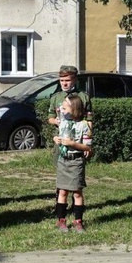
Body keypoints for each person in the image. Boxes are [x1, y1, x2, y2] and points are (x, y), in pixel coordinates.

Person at [54, 94, 92, 233]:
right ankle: (61, 220)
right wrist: (56, 139)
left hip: (76, 161)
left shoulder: (84, 126)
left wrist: (73, 144)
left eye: (65, 108)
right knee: (62, 191)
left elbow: (88, 147)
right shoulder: (63, 123)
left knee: (77, 192)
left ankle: (78, 221)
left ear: (74, 109)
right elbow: (58, 134)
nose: (62, 110)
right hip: (63, 160)